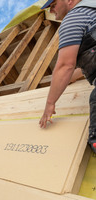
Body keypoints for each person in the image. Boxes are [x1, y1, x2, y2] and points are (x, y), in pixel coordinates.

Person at [39, 0, 96, 152]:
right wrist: (74, 76)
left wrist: (50, 103)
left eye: (53, 5)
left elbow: (65, 65)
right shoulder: (90, 11)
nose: (51, 11)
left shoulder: (73, 18)